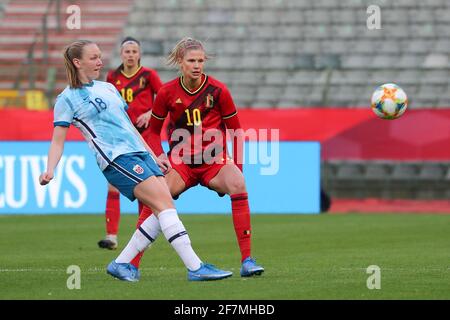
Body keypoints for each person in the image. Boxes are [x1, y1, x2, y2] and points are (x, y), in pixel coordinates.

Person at [39, 39, 233, 282]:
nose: (100, 61)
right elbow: (58, 140)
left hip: (140, 154)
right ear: (77, 63)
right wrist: (50, 169)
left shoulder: (108, 88)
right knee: (165, 206)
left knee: (158, 210)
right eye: (93, 57)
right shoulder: (67, 99)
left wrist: (154, 155)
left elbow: (129, 127)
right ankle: (195, 267)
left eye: (100, 56)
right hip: (116, 159)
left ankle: (121, 263)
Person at [132, 37, 264, 277]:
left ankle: (247, 261)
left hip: (214, 161)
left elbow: (235, 129)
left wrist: (238, 166)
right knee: (155, 196)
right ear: (181, 63)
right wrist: (159, 154)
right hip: (181, 162)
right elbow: (152, 131)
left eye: (200, 61)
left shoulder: (218, 90)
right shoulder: (167, 92)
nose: (197, 65)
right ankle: (131, 264)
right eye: (191, 60)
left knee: (238, 183)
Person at [98, 36, 163, 250]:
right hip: (121, 137)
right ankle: (111, 236)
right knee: (113, 184)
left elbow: (164, 100)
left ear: (139, 54)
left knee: (146, 183)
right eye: (127, 51)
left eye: (134, 51)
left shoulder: (148, 75)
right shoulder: (112, 77)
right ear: (121, 53)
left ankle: (143, 234)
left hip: (145, 136)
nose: (131, 55)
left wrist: (150, 112)